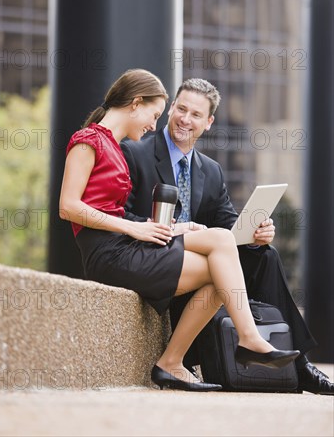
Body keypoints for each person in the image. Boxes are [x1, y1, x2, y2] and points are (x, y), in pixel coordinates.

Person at [59, 69, 299, 392]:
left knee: (221, 267)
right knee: (220, 242)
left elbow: (117, 210)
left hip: (128, 246)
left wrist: (169, 228)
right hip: (109, 255)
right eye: (155, 114)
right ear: (135, 104)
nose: (153, 125)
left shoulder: (114, 147)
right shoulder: (88, 141)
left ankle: (172, 362)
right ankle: (249, 339)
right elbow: (68, 207)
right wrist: (134, 227)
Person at [121, 77, 334, 395]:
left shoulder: (211, 170)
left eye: (196, 115)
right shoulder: (136, 152)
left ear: (208, 123)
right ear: (170, 109)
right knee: (230, 259)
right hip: (154, 257)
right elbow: (120, 215)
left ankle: (298, 362)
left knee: (264, 253)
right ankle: (282, 358)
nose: (185, 119)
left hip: (198, 258)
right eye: (181, 109)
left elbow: (229, 226)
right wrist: (171, 229)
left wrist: (257, 233)